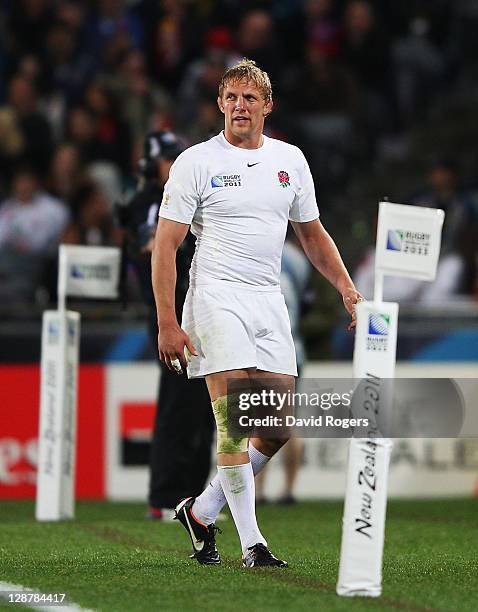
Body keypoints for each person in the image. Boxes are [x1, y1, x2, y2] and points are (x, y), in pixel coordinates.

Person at [151, 59, 362, 568]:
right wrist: (167, 321)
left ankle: (201, 512)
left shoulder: (290, 160)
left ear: (268, 106)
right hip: (215, 295)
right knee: (233, 422)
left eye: (250, 98)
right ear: (220, 103)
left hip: (268, 299)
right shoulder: (195, 162)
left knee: (278, 424)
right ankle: (252, 544)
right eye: (231, 97)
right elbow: (166, 247)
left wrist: (345, 286)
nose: (239, 106)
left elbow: (311, 233)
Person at [121, 131, 214, 518]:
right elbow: (151, 243)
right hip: (169, 314)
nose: (174, 164)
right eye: (167, 159)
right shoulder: (149, 202)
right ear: (150, 165)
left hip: (198, 311)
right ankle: (163, 499)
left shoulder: (184, 194)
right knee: (177, 406)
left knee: (206, 407)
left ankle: (196, 497)